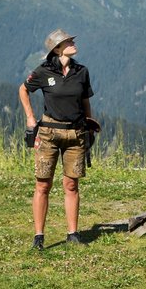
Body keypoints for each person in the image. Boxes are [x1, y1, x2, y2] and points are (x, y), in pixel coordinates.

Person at [18, 28, 97, 250]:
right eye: (68, 41)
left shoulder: (82, 71)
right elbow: (23, 90)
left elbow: (85, 102)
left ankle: (73, 233)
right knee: (43, 184)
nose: (73, 43)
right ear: (57, 48)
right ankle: (38, 236)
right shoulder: (43, 72)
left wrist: (90, 125)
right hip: (49, 134)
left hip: (76, 134)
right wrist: (30, 118)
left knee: (71, 184)